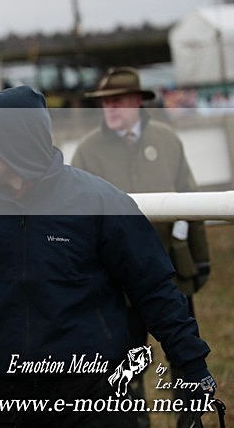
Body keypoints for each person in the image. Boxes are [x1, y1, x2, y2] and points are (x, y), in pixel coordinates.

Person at [0, 86, 215, 427]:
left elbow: (156, 292)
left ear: (13, 144)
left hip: (96, 401)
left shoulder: (99, 203)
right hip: (10, 403)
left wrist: (192, 372)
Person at [72, 66, 211, 428]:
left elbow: (190, 199)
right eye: (104, 102)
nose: (110, 108)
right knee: (124, 362)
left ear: (137, 101)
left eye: (117, 100)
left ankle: (190, 420)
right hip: (116, 282)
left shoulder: (167, 140)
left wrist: (200, 259)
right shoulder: (87, 152)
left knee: (184, 353)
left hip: (170, 273)